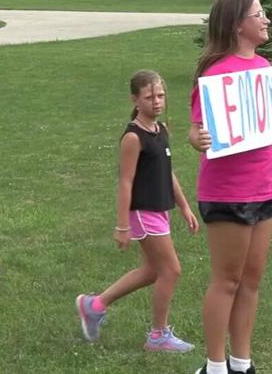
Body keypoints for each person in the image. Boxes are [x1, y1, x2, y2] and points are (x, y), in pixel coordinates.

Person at [189, 0, 272, 374]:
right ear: (237, 25)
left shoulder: (264, 66)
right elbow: (196, 132)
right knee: (226, 280)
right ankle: (215, 366)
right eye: (259, 14)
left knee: (251, 280)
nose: (267, 20)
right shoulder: (215, 74)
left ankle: (242, 363)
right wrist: (197, 139)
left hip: (265, 186)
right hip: (227, 192)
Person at [76, 70, 200, 352]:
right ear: (135, 99)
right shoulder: (133, 137)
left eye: (160, 95)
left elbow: (168, 174)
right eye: (149, 97)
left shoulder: (161, 130)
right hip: (144, 212)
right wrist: (122, 225)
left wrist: (184, 206)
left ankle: (93, 305)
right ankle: (158, 336)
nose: (157, 102)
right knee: (171, 271)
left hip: (160, 209)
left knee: (151, 271)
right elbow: (126, 181)